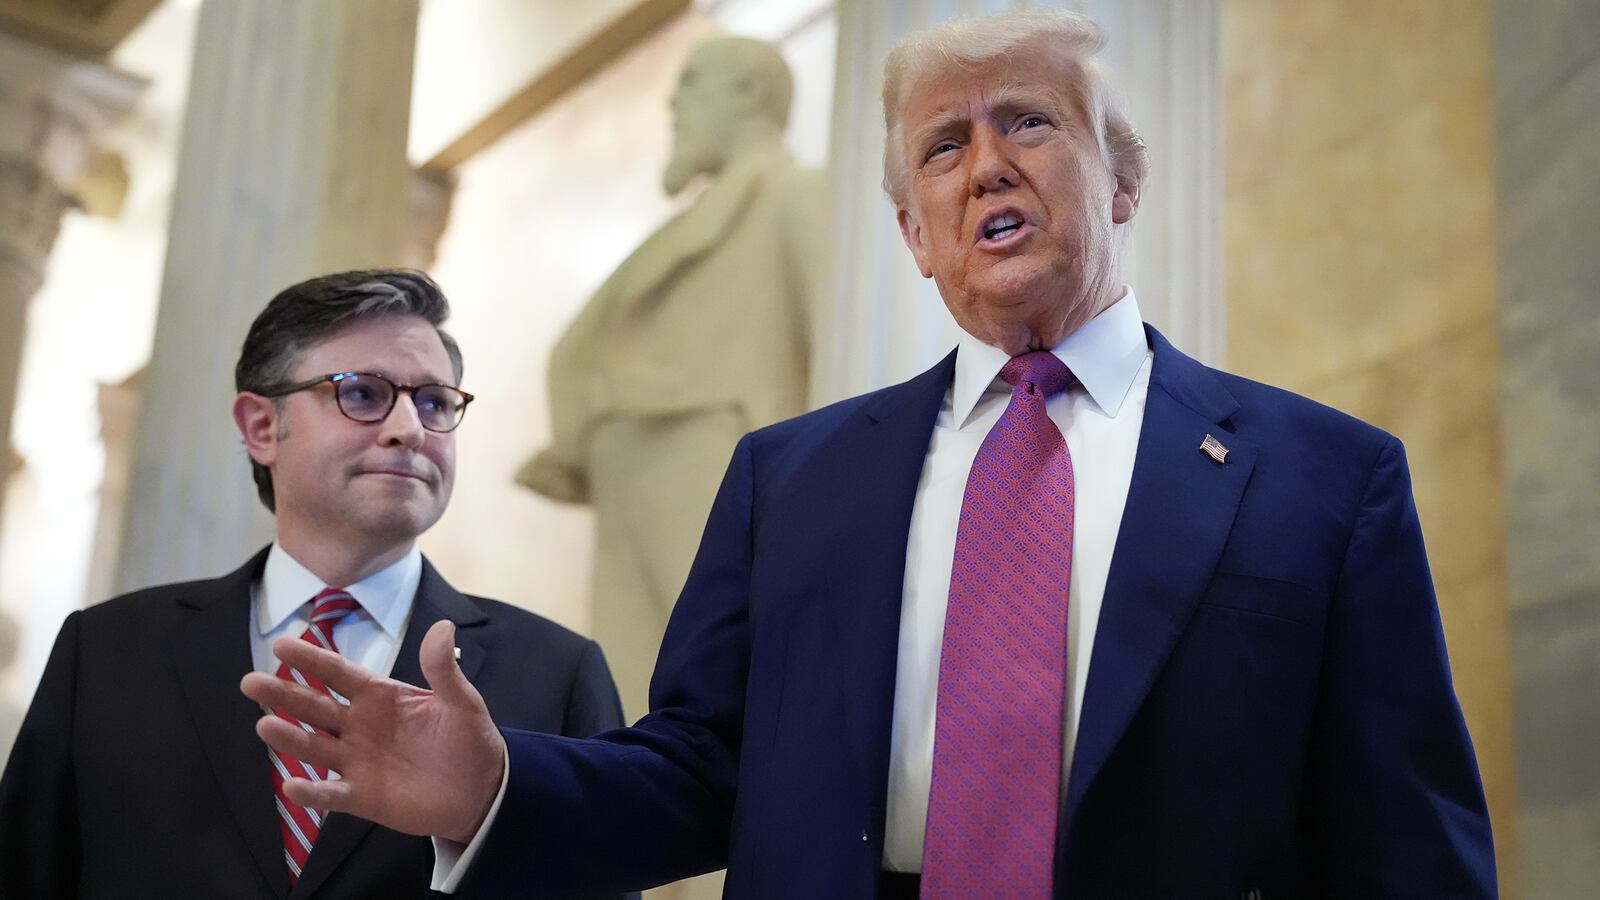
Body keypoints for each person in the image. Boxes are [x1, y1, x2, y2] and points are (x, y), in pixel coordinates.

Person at [243, 11, 1498, 899]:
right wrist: (498, 787)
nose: (986, 164)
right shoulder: (791, 481)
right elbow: (699, 773)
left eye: (1030, 123)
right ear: (913, 232)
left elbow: (1404, 841)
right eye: (943, 148)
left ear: (1122, 181)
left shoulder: (1324, 475)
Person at [0, 270, 629, 900]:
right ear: (262, 428)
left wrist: (476, 825)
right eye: (363, 394)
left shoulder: (557, 674)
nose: (409, 428)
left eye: (435, 402)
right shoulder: (107, 649)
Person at [517, 35, 828, 722]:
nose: (672, 102)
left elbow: (839, 353)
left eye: (692, 82)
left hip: (719, 476)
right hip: (631, 492)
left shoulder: (799, 196)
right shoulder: (686, 227)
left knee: (727, 701)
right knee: (628, 703)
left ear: (750, 92)